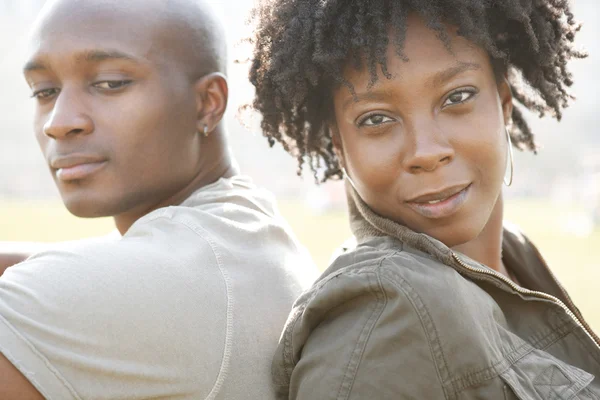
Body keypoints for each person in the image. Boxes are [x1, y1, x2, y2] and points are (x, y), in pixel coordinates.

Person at [249, 0, 600, 398]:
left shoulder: (515, 253)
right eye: (377, 119)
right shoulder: (383, 321)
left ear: (503, 102)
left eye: (457, 97)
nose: (426, 151)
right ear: (340, 146)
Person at [0, 0, 316, 398]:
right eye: (44, 91)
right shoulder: (239, 234)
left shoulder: (151, 282)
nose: (59, 123)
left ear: (208, 102)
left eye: (111, 83)